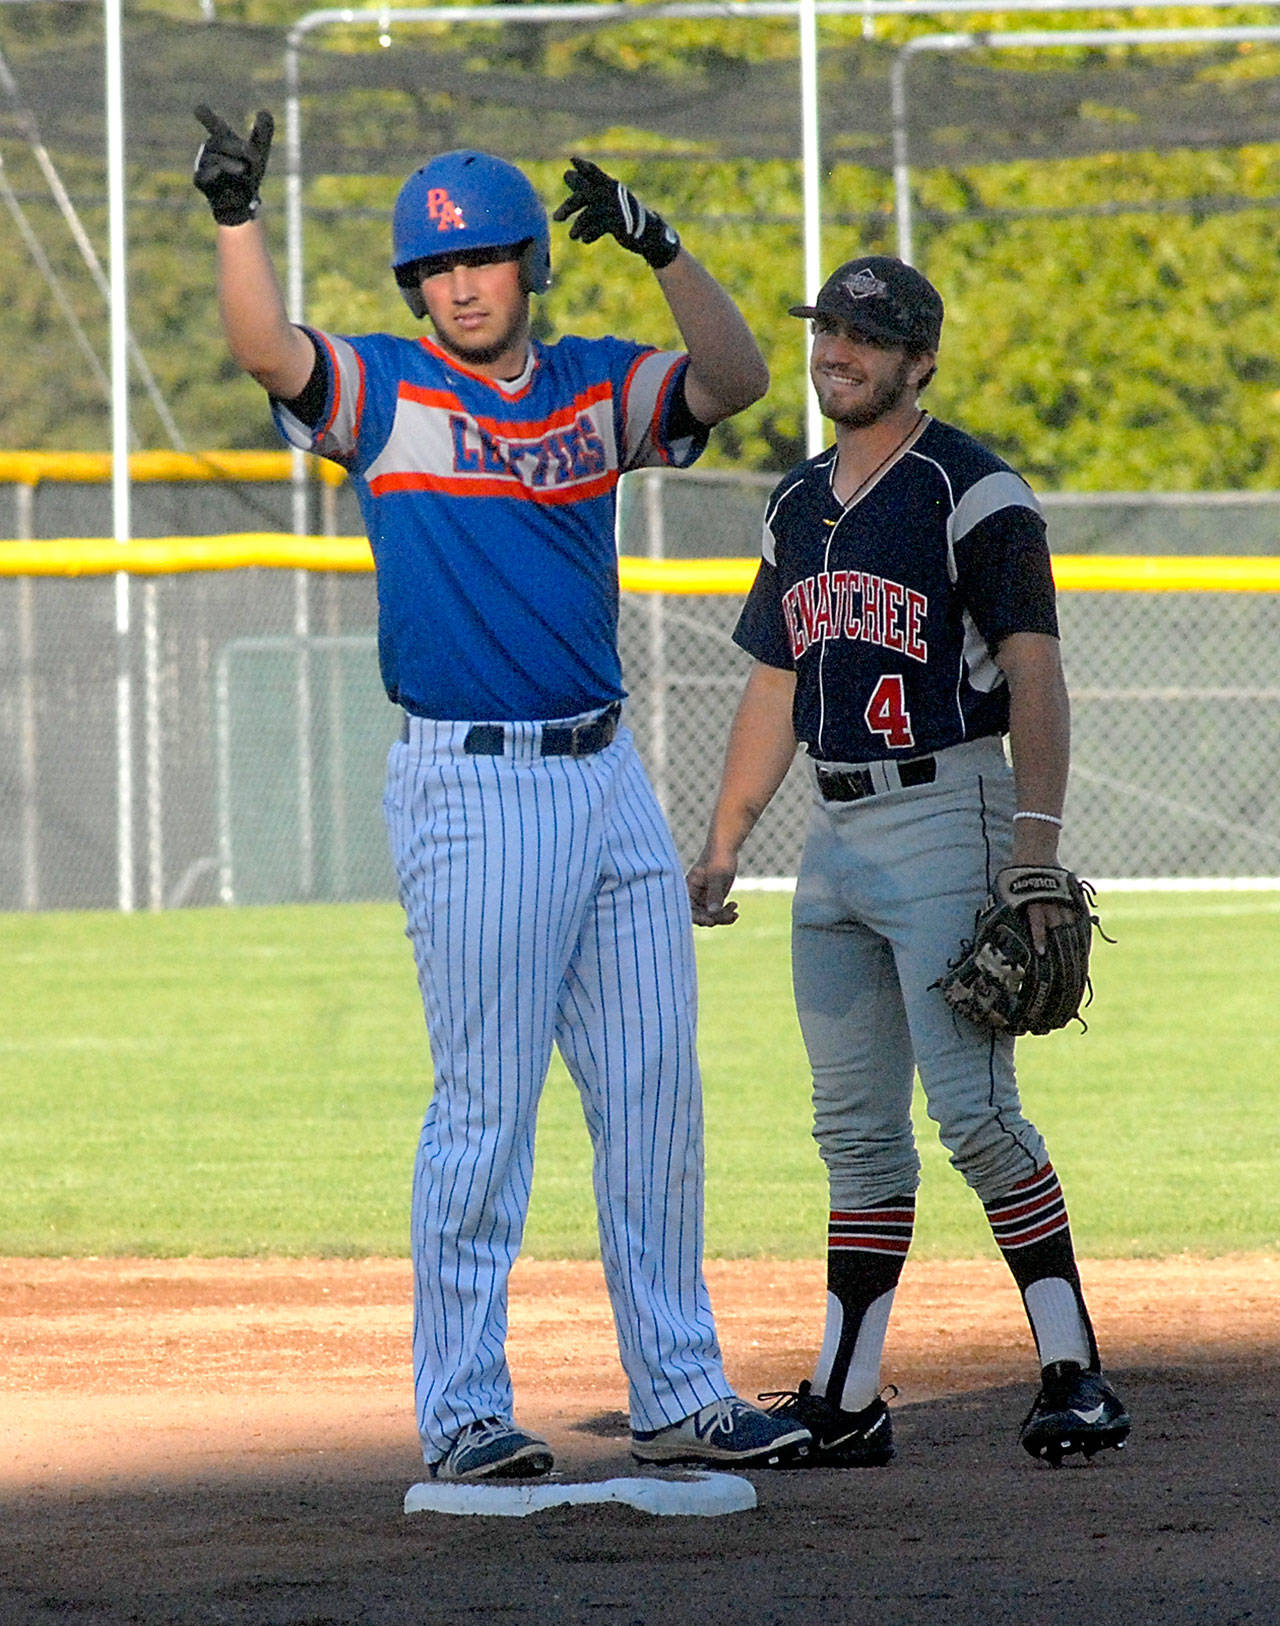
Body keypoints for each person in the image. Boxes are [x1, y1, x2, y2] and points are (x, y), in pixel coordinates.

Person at [192, 108, 812, 1482]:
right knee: (486, 1108)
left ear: (532, 265)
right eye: (433, 269)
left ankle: (681, 1384)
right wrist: (238, 219)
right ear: (414, 288)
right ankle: (467, 1407)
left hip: (609, 780)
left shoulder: (592, 386)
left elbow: (740, 376)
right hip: (471, 785)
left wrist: (662, 245)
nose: (456, 285)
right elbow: (264, 348)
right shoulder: (393, 392)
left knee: (655, 1093)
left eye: (480, 262)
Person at [686, 254, 1131, 1469]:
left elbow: (1032, 669)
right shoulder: (793, 502)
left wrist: (1032, 847)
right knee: (855, 1135)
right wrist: (725, 837)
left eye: (865, 336)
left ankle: (1071, 1370)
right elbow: (776, 678)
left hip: (948, 814)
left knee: (977, 1115)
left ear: (918, 361)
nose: (836, 349)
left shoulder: (971, 489)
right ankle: (847, 1395)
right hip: (829, 841)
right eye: (826, 328)